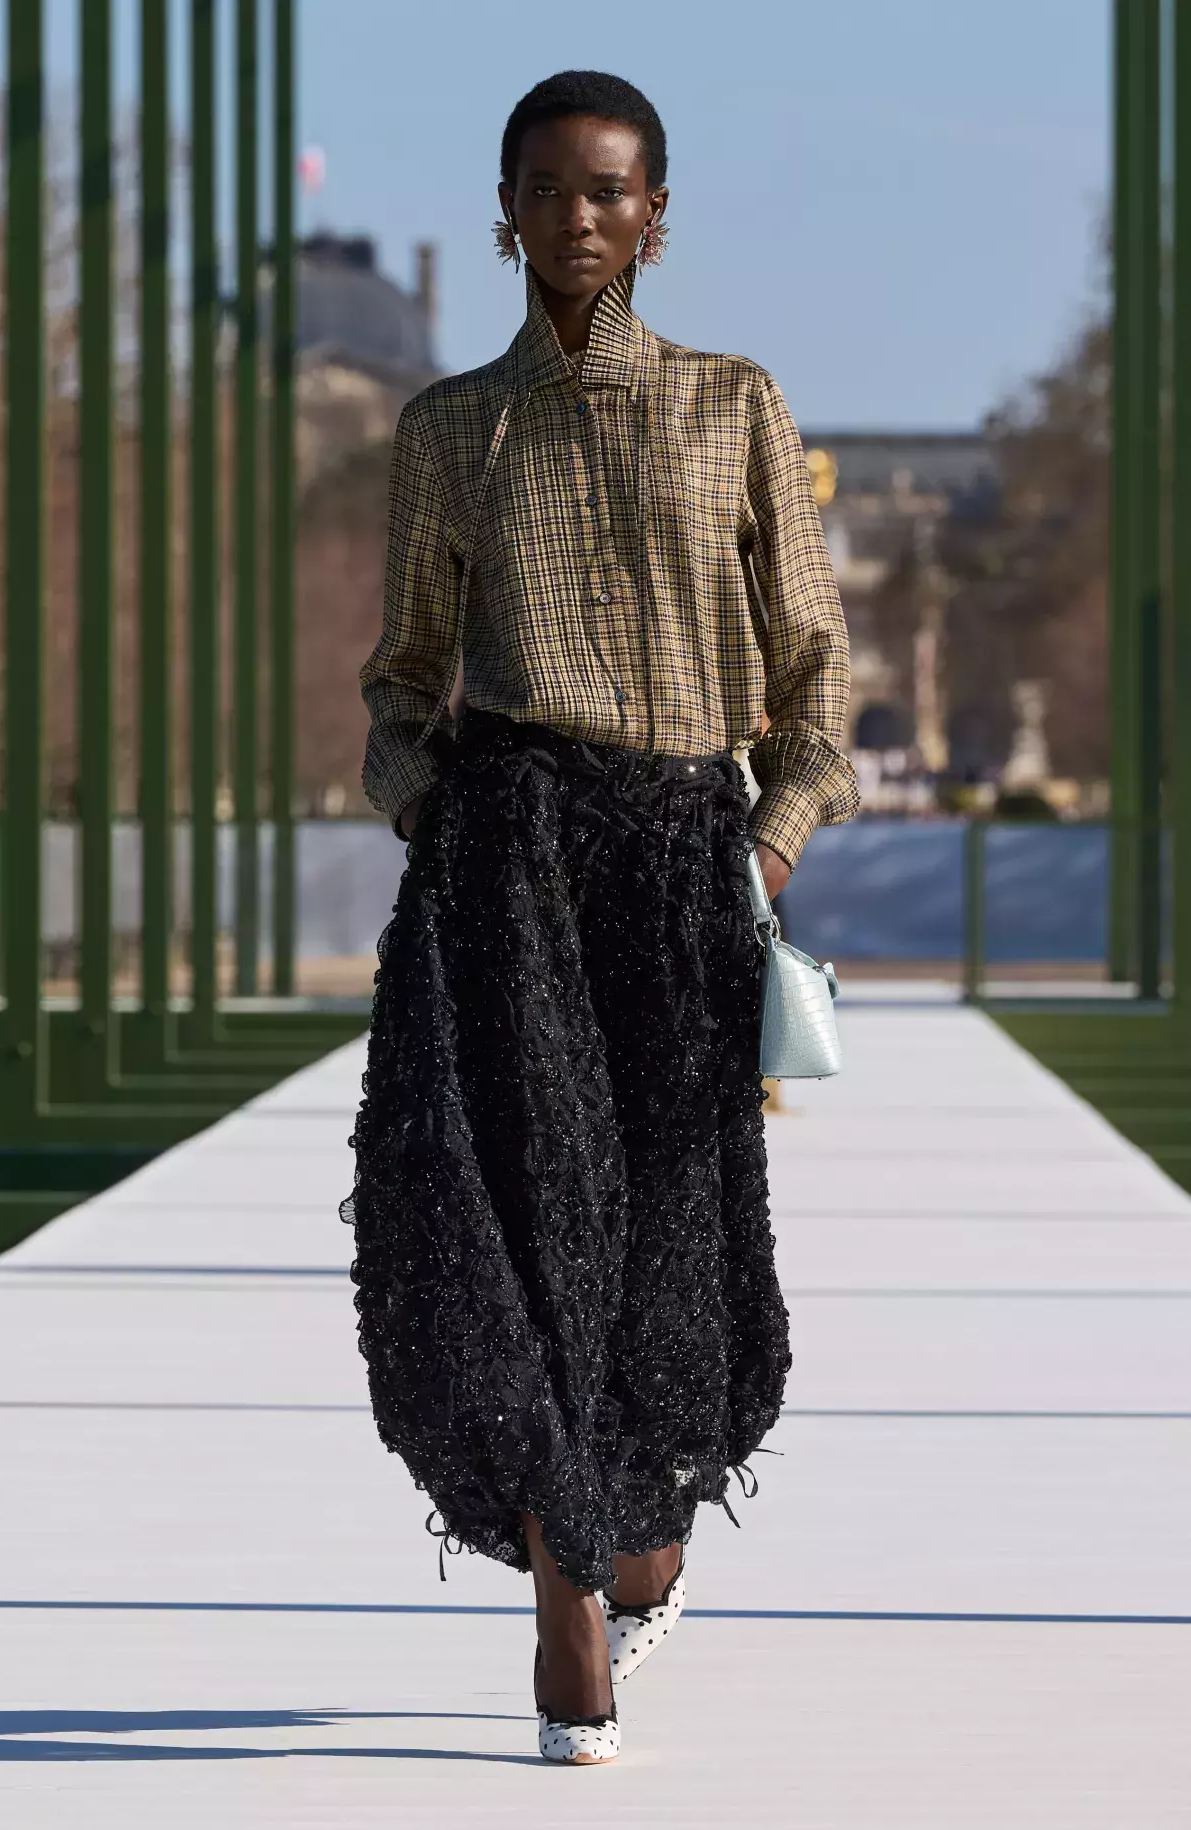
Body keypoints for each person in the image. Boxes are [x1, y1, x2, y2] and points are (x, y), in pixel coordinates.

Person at [340, 69, 857, 1766]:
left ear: (655, 215)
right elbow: (406, 678)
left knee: (674, 1243)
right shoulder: (450, 429)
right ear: (505, 212)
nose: (579, 215)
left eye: (610, 189)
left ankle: (637, 1536)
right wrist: (439, 817)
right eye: (549, 188)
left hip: (683, 857)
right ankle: (567, 1603)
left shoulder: (734, 404)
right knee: (523, 1222)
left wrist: (763, 848)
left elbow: (813, 669)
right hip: (512, 857)